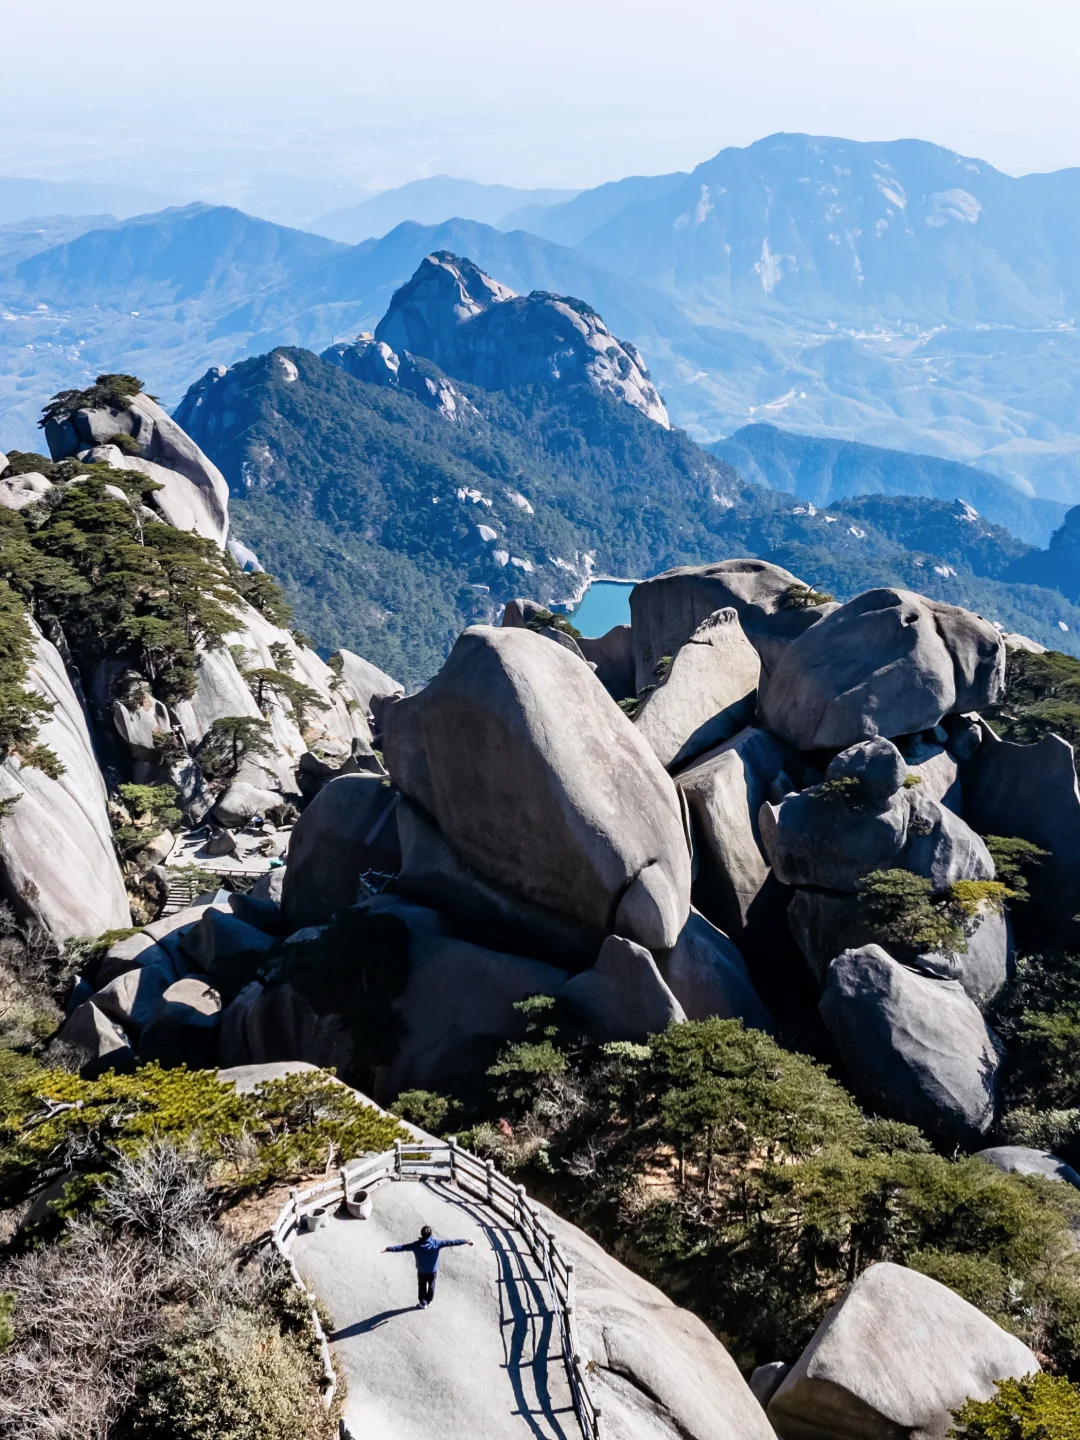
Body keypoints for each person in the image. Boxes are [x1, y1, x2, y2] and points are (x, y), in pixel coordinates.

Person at [382, 1224, 474, 1308]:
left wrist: (388, 1249)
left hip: (421, 1270)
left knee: (421, 1285)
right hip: (432, 1270)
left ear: (421, 1234)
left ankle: (422, 1301)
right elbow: (452, 1242)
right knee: (431, 1285)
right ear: (430, 1235)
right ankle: (428, 1300)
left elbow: (402, 1248)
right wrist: (465, 1241)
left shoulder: (416, 1245)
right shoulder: (437, 1244)